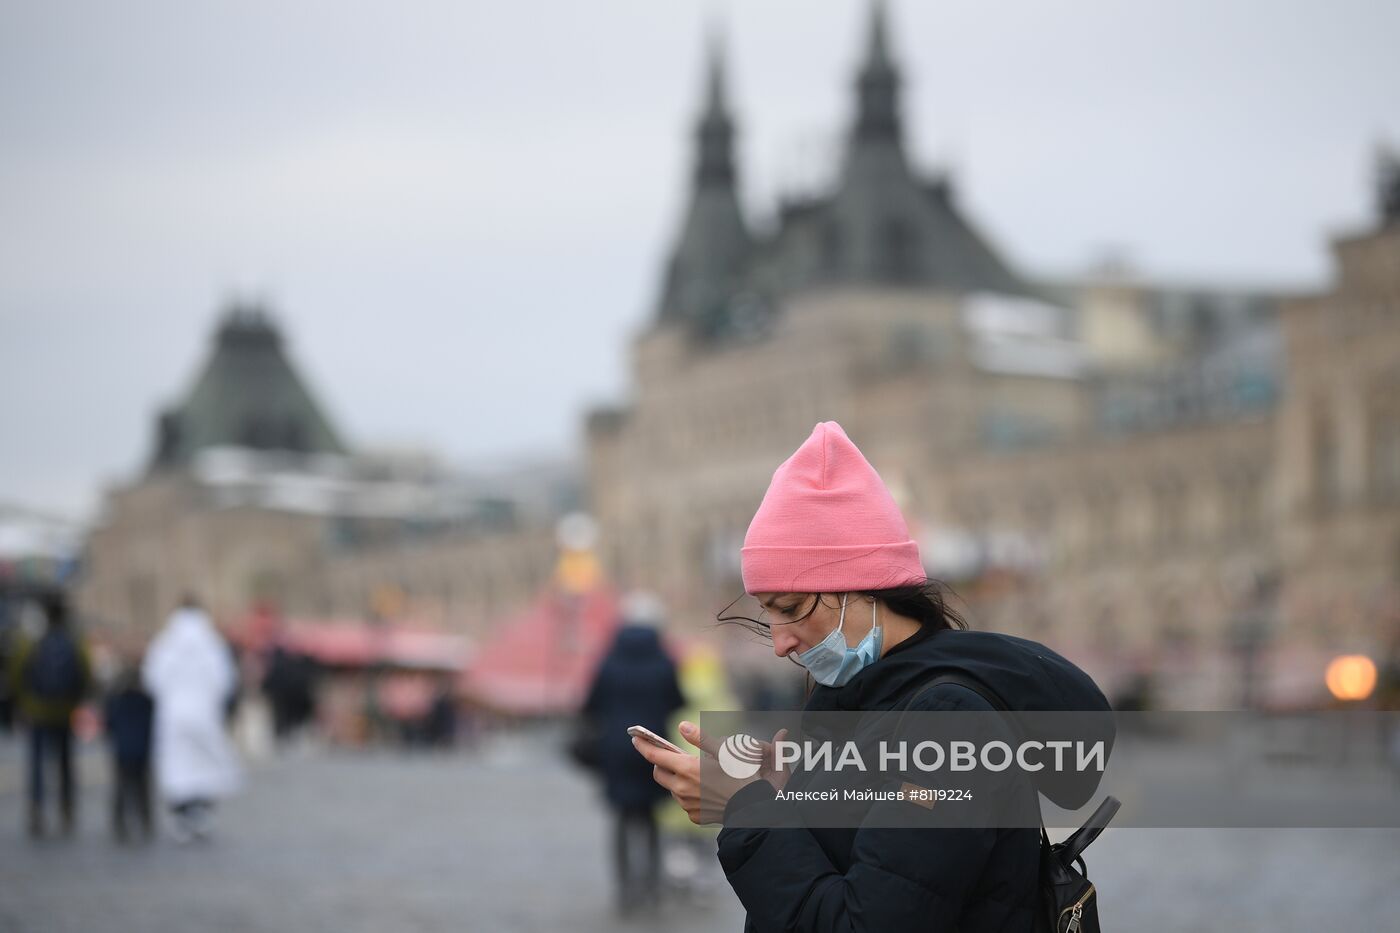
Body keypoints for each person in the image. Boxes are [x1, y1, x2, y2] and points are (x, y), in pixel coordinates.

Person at [632, 421, 1112, 932]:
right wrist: (793, 789)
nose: (779, 643)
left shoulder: (950, 722)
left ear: (862, 586)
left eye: (790, 607)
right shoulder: (871, 703)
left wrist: (747, 812)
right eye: (766, 614)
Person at [580, 591, 686, 918]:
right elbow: (677, 700)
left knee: (622, 817)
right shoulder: (665, 659)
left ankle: (626, 890)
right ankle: (652, 886)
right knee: (652, 819)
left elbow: (590, 704)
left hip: (615, 748)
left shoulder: (609, 659)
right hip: (652, 748)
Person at [142, 595, 242, 843]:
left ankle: (183, 815)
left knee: (178, 767)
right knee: (204, 765)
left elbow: (152, 679)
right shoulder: (212, 643)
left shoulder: (165, 642)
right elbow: (224, 681)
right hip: (205, 713)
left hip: (173, 715)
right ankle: (201, 813)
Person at [7, 589, 92, 838]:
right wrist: (76, 699)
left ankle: (37, 810)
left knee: (37, 765)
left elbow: (16, 671)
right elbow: (86, 671)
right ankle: (67, 809)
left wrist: (24, 702)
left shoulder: (30, 640)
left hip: (37, 711)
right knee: (65, 763)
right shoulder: (74, 638)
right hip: (64, 710)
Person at [103, 661, 155, 843]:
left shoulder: (115, 700)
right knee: (142, 788)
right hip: (142, 750)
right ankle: (145, 820)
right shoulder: (147, 700)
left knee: (121, 788)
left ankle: (119, 822)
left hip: (122, 750)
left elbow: (109, 725)